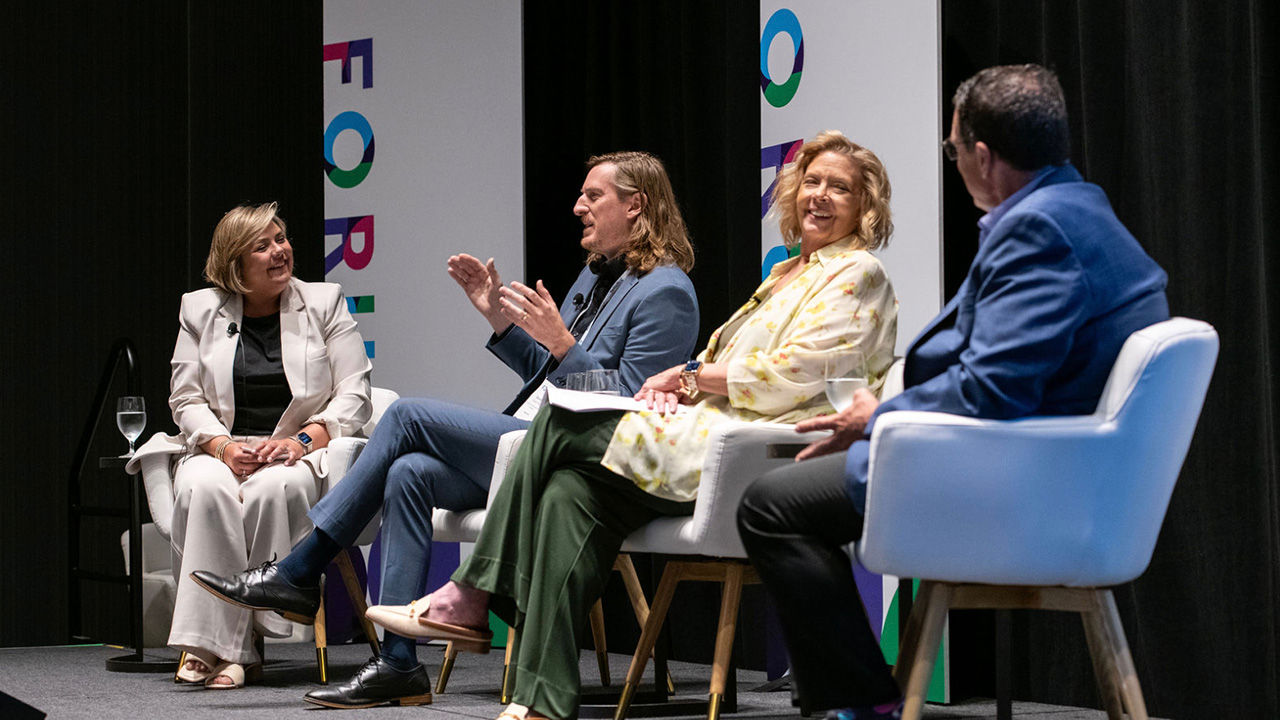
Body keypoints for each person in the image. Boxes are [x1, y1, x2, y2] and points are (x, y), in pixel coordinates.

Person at [364, 131, 900, 720]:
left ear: (864, 206)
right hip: (681, 441)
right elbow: (563, 372)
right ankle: (539, 700)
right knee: (569, 494)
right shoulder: (782, 277)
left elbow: (801, 371)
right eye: (813, 182)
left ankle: (472, 592)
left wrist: (692, 377)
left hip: (741, 457)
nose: (819, 196)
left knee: (556, 424)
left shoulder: (858, 272)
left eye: (840, 187)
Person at [737, 64, 1171, 720]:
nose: (956, 163)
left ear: (983, 155)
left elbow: (994, 389)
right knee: (795, 488)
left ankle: (862, 702)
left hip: (1019, 480)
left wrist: (880, 416)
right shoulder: (1078, 205)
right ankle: (855, 694)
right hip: (1052, 468)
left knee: (769, 505)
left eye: (953, 150)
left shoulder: (1041, 229)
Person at [192, 151, 700, 708]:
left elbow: (631, 402)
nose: (578, 206)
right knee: (409, 473)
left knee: (406, 415)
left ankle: (301, 567)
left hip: (585, 456)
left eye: (593, 196)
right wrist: (497, 319)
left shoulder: (667, 290)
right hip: (532, 432)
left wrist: (562, 344)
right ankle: (398, 664)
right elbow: (553, 376)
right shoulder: (598, 275)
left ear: (637, 206)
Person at [125, 202, 373, 689]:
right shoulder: (199, 309)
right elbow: (186, 397)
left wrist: (302, 441)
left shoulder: (324, 302)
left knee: (271, 490)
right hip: (222, 445)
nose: (280, 251)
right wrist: (220, 447)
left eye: (281, 238)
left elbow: (356, 394)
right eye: (263, 246)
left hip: (299, 448)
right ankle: (227, 648)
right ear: (234, 265)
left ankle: (222, 649)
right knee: (200, 489)